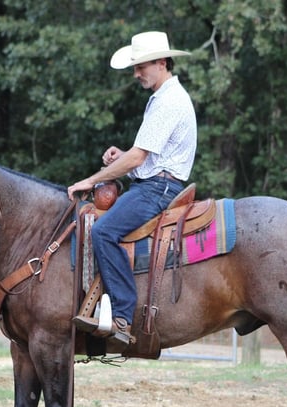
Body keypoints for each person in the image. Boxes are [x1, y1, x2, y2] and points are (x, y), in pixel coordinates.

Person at [68, 31, 197, 349]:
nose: (137, 73)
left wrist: (90, 180)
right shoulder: (165, 97)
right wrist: (122, 155)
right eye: (135, 67)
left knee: (103, 232)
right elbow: (145, 155)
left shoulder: (168, 101)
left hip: (157, 188)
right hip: (157, 181)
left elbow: (140, 159)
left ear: (163, 62)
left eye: (142, 66)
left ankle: (123, 315)